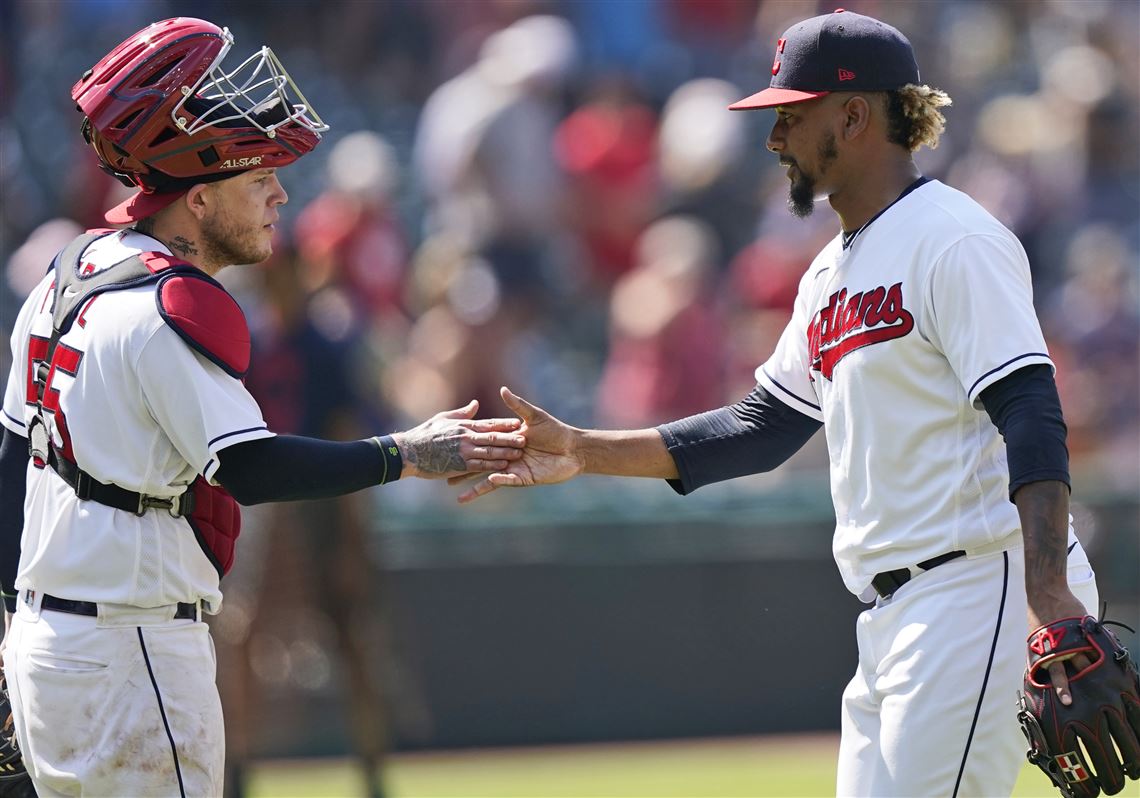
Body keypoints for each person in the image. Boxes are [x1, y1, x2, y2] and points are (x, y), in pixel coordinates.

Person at [459, 10, 1110, 797]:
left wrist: (1049, 595)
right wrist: (585, 450)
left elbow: (1030, 410)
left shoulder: (955, 239)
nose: (774, 141)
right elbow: (759, 427)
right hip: (895, 614)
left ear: (855, 114)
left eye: (790, 117)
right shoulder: (828, 276)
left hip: (979, 589)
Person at [0, 18, 525, 798]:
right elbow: (247, 464)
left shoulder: (63, 276)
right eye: (258, 179)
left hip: (46, 647)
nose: (281, 195)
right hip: (130, 651)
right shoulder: (165, 303)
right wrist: (408, 452)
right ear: (201, 198)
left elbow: (14, 466)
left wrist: (11, 629)